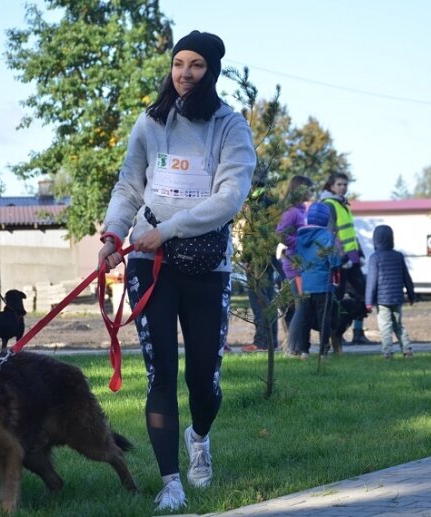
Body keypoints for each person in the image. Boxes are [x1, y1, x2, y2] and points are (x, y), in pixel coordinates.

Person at [97, 30, 255, 512]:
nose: (185, 74)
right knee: (159, 374)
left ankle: (199, 437)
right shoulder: (150, 122)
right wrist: (111, 234)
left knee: (204, 380)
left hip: (206, 265)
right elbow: (129, 185)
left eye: (197, 66)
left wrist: (167, 231)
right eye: (179, 63)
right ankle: (171, 482)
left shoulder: (230, 127)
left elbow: (229, 198)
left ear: (212, 71)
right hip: (148, 262)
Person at [321, 172, 373, 345]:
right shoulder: (329, 205)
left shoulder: (344, 204)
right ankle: (336, 333)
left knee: (362, 296)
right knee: (337, 298)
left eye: (345, 184)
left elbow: (350, 232)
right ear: (331, 186)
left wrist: (360, 254)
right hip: (340, 262)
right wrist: (341, 258)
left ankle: (358, 333)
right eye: (339, 184)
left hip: (354, 260)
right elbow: (330, 234)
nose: (343, 187)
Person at [295, 202, 340, 356]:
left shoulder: (300, 237)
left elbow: (297, 259)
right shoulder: (327, 236)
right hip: (323, 285)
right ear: (326, 219)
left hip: (306, 284)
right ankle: (323, 351)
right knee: (324, 320)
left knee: (305, 319)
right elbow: (333, 260)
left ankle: (303, 351)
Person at [241, 179, 281, 353]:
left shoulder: (255, 204)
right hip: (270, 256)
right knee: (269, 299)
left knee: (259, 301)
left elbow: (251, 235)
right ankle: (272, 340)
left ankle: (261, 342)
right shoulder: (272, 202)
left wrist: (246, 258)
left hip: (257, 259)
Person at [276, 175, 314, 358]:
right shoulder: (292, 212)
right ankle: (291, 349)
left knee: (302, 306)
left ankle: (296, 347)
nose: (311, 193)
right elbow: (280, 234)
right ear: (300, 189)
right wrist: (299, 243)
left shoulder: (301, 211)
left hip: (301, 264)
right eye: (309, 188)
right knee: (301, 306)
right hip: (294, 265)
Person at [365, 225, 416, 359]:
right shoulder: (398, 256)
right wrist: (411, 295)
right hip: (397, 298)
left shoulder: (374, 258)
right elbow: (407, 278)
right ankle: (407, 349)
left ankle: (388, 353)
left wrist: (368, 302)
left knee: (385, 326)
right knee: (398, 325)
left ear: (375, 240)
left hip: (382, 300)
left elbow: (371, 281)